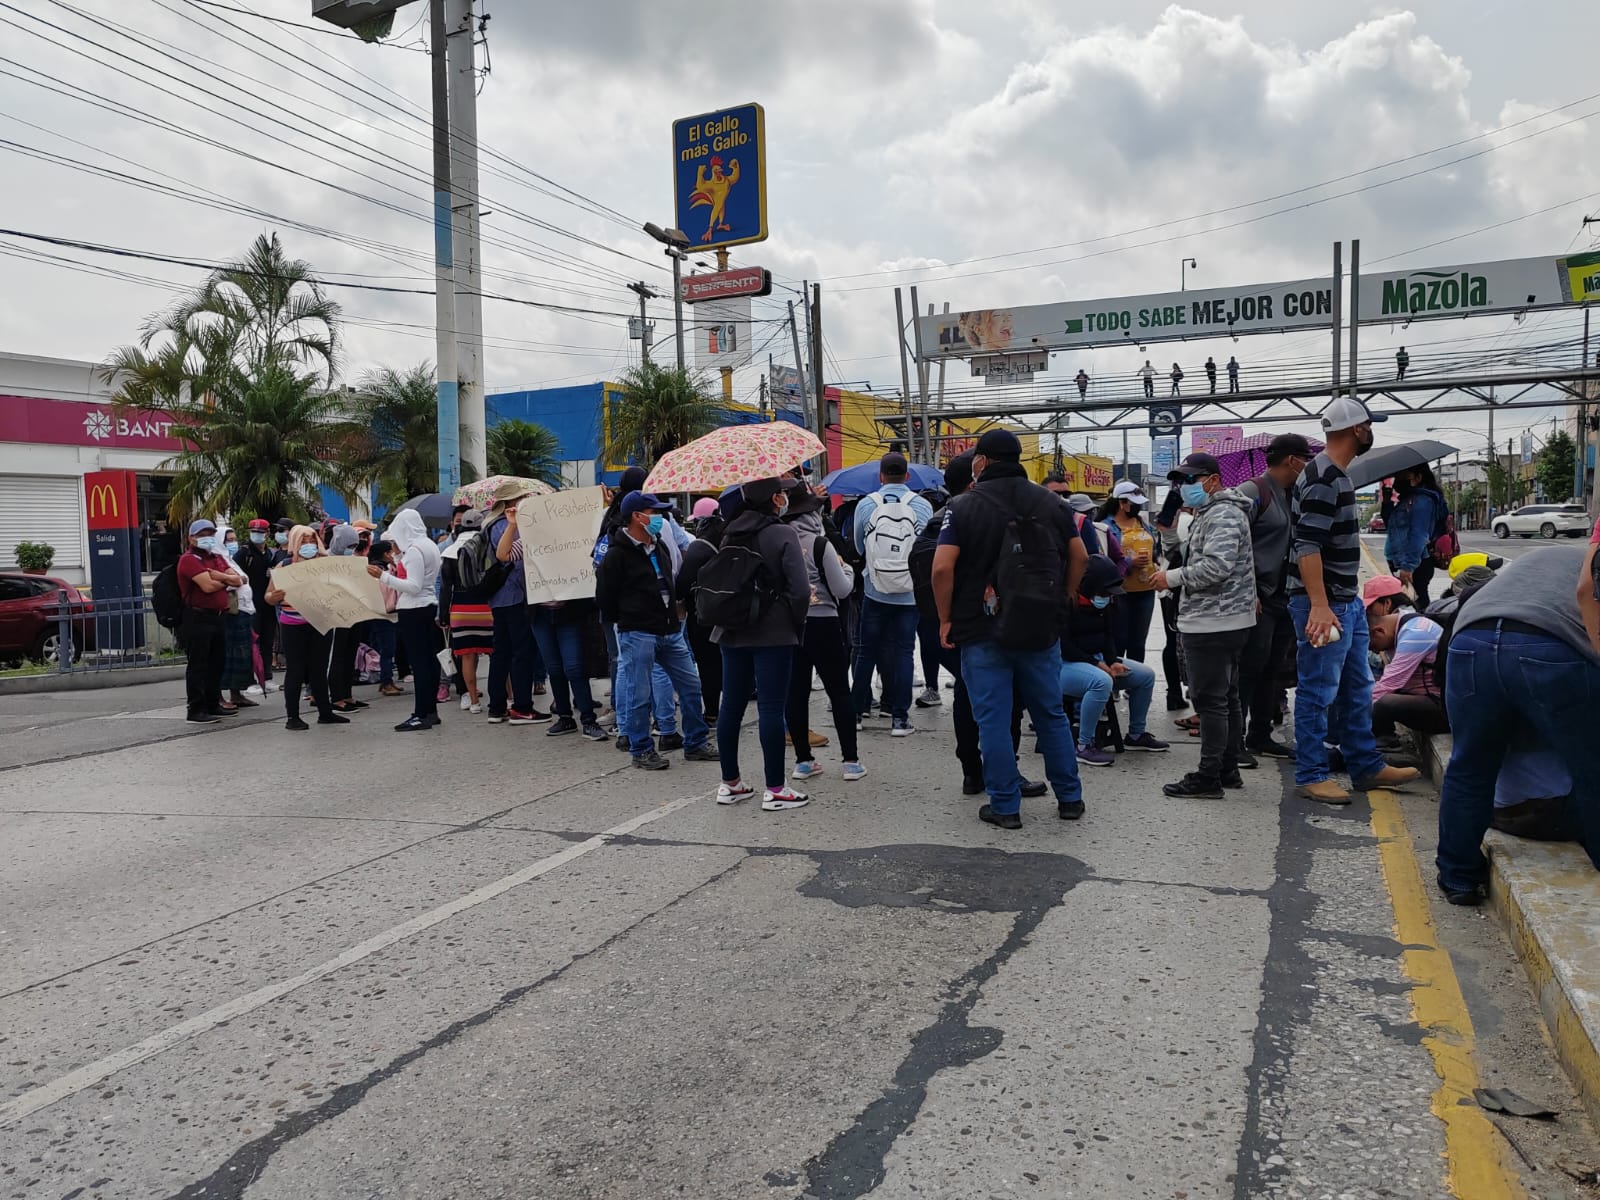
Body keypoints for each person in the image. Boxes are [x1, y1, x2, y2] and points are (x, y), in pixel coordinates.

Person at [931, 428, 1086, 829]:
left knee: (993, 720)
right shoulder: (1052, 502)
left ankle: (1005, 806)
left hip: (982, 628)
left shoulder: (964, 506)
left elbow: (942, 566)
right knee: (1050, 713)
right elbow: (1080, 555)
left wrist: (945, 617)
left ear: (981, 461)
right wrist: (1065, 598)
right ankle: (1070, 798)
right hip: (1039, 625)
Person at [1436, 547, 1600, 904]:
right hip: (1548, 646)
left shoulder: (1537, 562)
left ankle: (1458, 876)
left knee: (1469, 766)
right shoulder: (1588, 569)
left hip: (1469, 642)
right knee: (1591, 765)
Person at [1288, 396, 1421, 804]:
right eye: (1368, 425)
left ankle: (1365, 766)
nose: (1370, 431)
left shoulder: (1333, 474)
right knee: (1318, 690)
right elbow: (1307, 545)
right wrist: (1320, 605)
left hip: (1343, 601)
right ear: (1357, 430)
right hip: (1327, 604)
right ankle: (1311, 773)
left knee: (1357, 686)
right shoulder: (1325, 478)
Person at [1150, 453, 1256, 798]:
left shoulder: (1224, 513)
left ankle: (1208, 777)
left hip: (1214, 620)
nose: (1184, 488)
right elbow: (1197, 557)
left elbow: (1216, 567)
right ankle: (1226, 769)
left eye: (1191, 481)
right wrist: (1168, 537)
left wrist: (1171, 577)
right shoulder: (1209, 513)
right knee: (1226, 697)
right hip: (1221, 618)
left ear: (1212, 479)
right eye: (1181, 482)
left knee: (1209, 701)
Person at [706, 477, 812, 807]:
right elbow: (800, 590)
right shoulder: (782, 533)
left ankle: (730, 783)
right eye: (781, 492)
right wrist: (793, 623)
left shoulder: (729, 531)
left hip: (731, 631)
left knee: (731, 705)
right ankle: (776, 788)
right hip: (773, 633)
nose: (785, 497)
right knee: (770, 707)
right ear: (773, 498)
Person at [596, 492, 716, 772]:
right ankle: (641, 749)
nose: (660, 517)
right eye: (654, 512)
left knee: (690, 686)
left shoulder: (658, 545)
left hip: (670, 630)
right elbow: (605, 598)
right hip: (637, 632)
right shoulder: (616, 555)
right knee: (638, 694)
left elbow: (670, 580)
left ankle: (696, 743)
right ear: (638, 517)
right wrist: (629, 620)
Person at [781, 478, 866, 783]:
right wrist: (847, 569)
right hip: (824, 623)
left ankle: (803, 762)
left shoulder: (778, 543)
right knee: (839, 690)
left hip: (791, 625)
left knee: (796, 692)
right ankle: (851, 762)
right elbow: (843, 590)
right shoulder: (819, 544)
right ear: (810, 515)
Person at [1234, 433, 1310, 760]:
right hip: (1258, 595)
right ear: (1292, 460)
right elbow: (1233, 543)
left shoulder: (1295, 494)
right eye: (1304, 459)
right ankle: (1231, 742)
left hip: (1286, 595)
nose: (1307, 465)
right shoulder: (1254, 491)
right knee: (1249, 667)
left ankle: (1260, 735)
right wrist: (1248, 591)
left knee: (1272, 668)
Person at [1058, 554, 1170, 766]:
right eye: (1104, 593)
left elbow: (1108, 637)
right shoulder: (1065, 603)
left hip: (1096, 662)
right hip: (1065, 665)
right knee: (1101, 682)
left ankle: (1136, 734)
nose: (1108, 598)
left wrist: (1112, 661)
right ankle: (1084, 745)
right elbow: (1065, 647)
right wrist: (1097, 664)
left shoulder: (1104, 604)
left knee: (1145, 676)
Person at [851, 451, 933, 737]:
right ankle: (899, 719)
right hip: (910, 594)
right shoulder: (922, 505)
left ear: (881, 476)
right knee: (904, 652)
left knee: (865, 652)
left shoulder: (866, 505)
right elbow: (926, 550)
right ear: (907, 476)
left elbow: (860, 547)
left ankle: (856, 715)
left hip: (875, 591)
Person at [262, 526, 346, 730]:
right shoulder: (285, 566)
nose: (308, 545)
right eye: (303, 541)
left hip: (320, 622)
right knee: (296, 670)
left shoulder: (325, 565)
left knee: (319, 669)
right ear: (294, 543)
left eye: (311, 540)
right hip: (293, 625)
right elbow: (268, 596)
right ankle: (293, 717)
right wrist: (275, 597)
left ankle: (325, 712)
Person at [485, 482, 549, 725]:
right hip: (516, 595)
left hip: (498, 598)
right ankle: (522, 706)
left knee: (501, 652)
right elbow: (511, 557)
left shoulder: (490, 523)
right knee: (522, 651)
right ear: (512, 503)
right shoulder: (510, 526)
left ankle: (497, 706)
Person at [374, 509, 442, 732]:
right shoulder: (428, 545)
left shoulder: (414, 551)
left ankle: (421, 713)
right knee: (429, 662)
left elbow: (413, 586)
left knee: (420, 663)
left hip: (414, 608)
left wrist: (383, 576)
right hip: (428, 605)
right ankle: (430, 711)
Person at [1365, 574, 1448, 748]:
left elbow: (1389, 684)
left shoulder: (1415, 635)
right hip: (1425, 696)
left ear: (1378, 631)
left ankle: (1384, 740)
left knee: (1383, 702)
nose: (1374, 650)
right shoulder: (1403, 623)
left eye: (1371, 644)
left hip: (1444, 708)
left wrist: (1354, 721)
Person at [176, 518, 242, 724]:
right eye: (202, 535)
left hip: (218, 616)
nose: (207, 539)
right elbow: (207, 586)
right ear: (191, 538)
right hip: (198, 617)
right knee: (199, 664)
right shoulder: (189, 559)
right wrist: (224, 580)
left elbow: (238, 579)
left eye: (210, 535)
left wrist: (217, 575)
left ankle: (213, 703)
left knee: (217, 663)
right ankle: (195, 708)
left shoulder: (215, 557)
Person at [530, 588, 607, 741]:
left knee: (574, 667)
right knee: (554, 668)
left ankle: (588, 719)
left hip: (569, 611)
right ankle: (565, 717)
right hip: (540, 613)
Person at [439, 511, 494, 713]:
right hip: (487, 606)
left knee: (466, 657)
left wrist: (443, 615)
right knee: (497, 653)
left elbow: (445, 588)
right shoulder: (487, 546)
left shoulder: (450, 551)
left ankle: (473, 701)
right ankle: (507, 698)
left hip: (461, 608)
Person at [1099, 481, 1157, 660]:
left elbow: (1155, 550)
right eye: (1134, 503)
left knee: (1138, 642)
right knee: (1119, 639)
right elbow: (1102, 561)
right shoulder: (1105, 526)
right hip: (1120, 591)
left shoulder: (1143, 523)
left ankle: (1136, 683)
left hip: (1146, 590)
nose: (1138, 507)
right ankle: (1115, 682)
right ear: (1122, 503)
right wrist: (1129, 562)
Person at [1382, 464, 1448, 607]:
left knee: (1416, 603)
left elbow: (1419, 535)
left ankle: (1424, 627)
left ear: (1418, 477)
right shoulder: (1407, 500)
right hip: (1400, 561)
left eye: (1405, 476)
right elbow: (1391, 527)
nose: (1398, 480)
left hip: (1415, 563)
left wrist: (1408, 567)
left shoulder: (1422, 501)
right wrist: (1387, 503)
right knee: (1409, 602)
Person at [216, 527, 261, 711]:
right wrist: (237, 579)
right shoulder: (216, 559)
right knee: (227, 656)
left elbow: (239, 578)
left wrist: (238, 579)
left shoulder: (229, 559)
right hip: (230, 614)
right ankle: (217, 695)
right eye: (229, 540)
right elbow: (232, 581)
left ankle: (237, 693)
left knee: (242, 655)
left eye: (234, 539)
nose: (233, 543)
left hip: (243, 611)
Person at [236, 518, 280, 692]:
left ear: (267, 534)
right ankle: (250, 681)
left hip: (267, 605)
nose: (257, 535)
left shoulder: (269, 554)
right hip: (250, 605)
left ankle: (267, 677)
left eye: (261, 533)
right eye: (254, 532)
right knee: (250, 643)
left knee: (267, 642)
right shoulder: (243, 554)